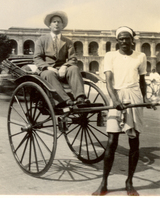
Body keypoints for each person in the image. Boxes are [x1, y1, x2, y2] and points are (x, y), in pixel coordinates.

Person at [92, 26, 149, 196]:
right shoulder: (110, 56)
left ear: (133, 40)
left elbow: (142, 80)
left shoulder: (141, 56)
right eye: (121, 39)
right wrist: (115, 101)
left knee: (134, 142)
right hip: (116, 96)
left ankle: (129, 182)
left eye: (127, 38)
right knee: (112, 142)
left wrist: (144, 100)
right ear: (117, 41)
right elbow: (109, 81)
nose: (124, 41)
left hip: (134, 97)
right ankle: (104, 182)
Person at [34, 11, 86, 106]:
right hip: (47, 69)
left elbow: (73, 58)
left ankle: (80, 98)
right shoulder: (41, 40)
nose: (56, 23)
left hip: (62, 69)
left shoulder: (68, 41)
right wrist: (48, 67)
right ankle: (65, 100)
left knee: (74, 68)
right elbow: (37, 58)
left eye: (59, 22)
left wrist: (65, 66)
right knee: (49, 74)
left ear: (62, 26)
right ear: (49, 25)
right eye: (54, 21)